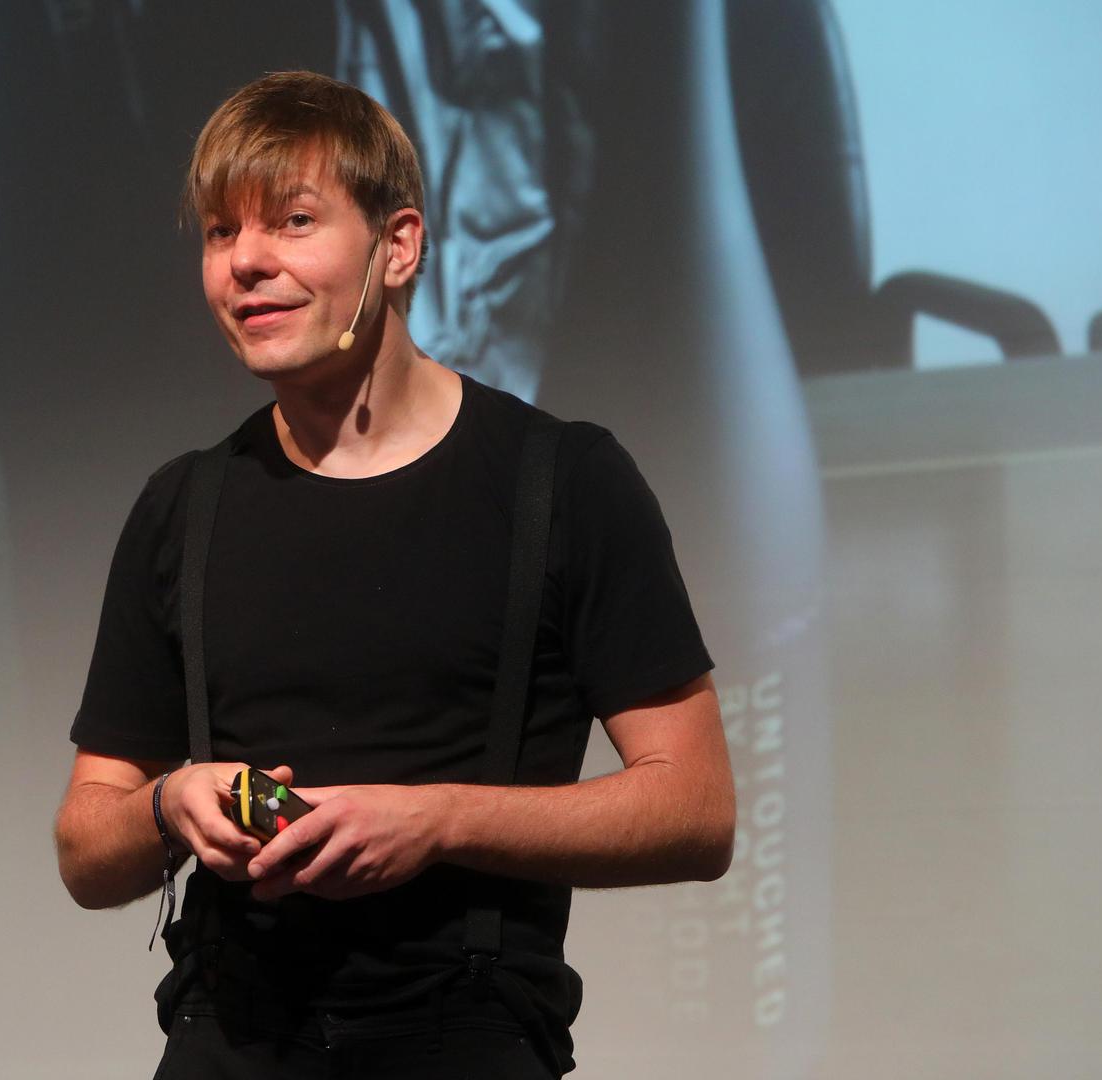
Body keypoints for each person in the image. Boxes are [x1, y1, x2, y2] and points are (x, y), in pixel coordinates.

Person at [53, 71, 734, 1079]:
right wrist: (171, 806)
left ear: (398, 245)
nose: (244, 261)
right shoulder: (184, 506)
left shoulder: (561, 482)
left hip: (463, 1033)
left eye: (291, 221)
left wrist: (438, 819)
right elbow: (85, 848)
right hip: (229, 1038)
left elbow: (695, 811)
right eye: (219, 231)